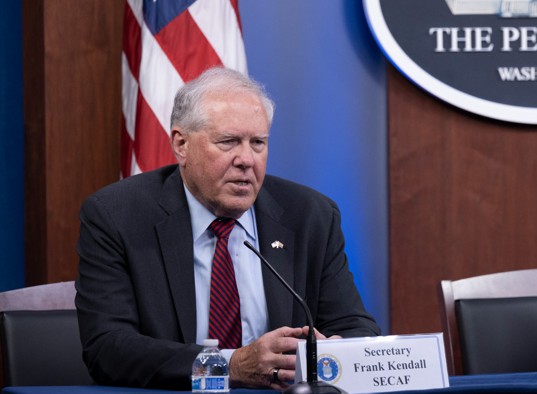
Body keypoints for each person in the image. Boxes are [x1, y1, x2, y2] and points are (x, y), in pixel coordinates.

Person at [75, 67, 380, 390]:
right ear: (181, 145)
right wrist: (229, 366)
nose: (247, 159)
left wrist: (329, 351)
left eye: (258, 143)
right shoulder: (118, 216)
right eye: (228, 142)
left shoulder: (310, 215)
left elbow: (354, 325)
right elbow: (107, 348)